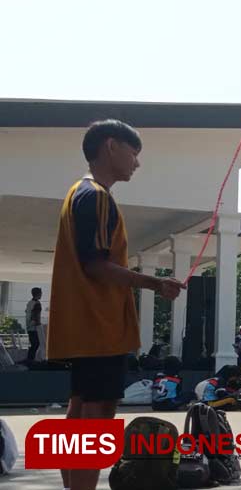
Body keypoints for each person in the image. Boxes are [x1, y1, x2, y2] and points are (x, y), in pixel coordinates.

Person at [46, 120, 182, 490]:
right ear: (111, 146)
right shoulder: (97, 197)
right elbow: (96, 264)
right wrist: (155, 282)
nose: (136, 163)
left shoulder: (78, 191)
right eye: (133, 153)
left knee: (78, 409)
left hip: (84, 326)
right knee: (99, 413)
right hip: (99, 327)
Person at [25, 287, 43, 363]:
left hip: (29, 326)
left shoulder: (29, 303)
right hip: (34, 327)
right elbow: (35, 315)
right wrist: (37, 324)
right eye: (41, 294)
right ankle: (30, 360)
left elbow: (27, 312)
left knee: (34, 344)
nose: (41, 295)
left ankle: (30, 359)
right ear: (38, 294)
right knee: (36, 343)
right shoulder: (37, 303)